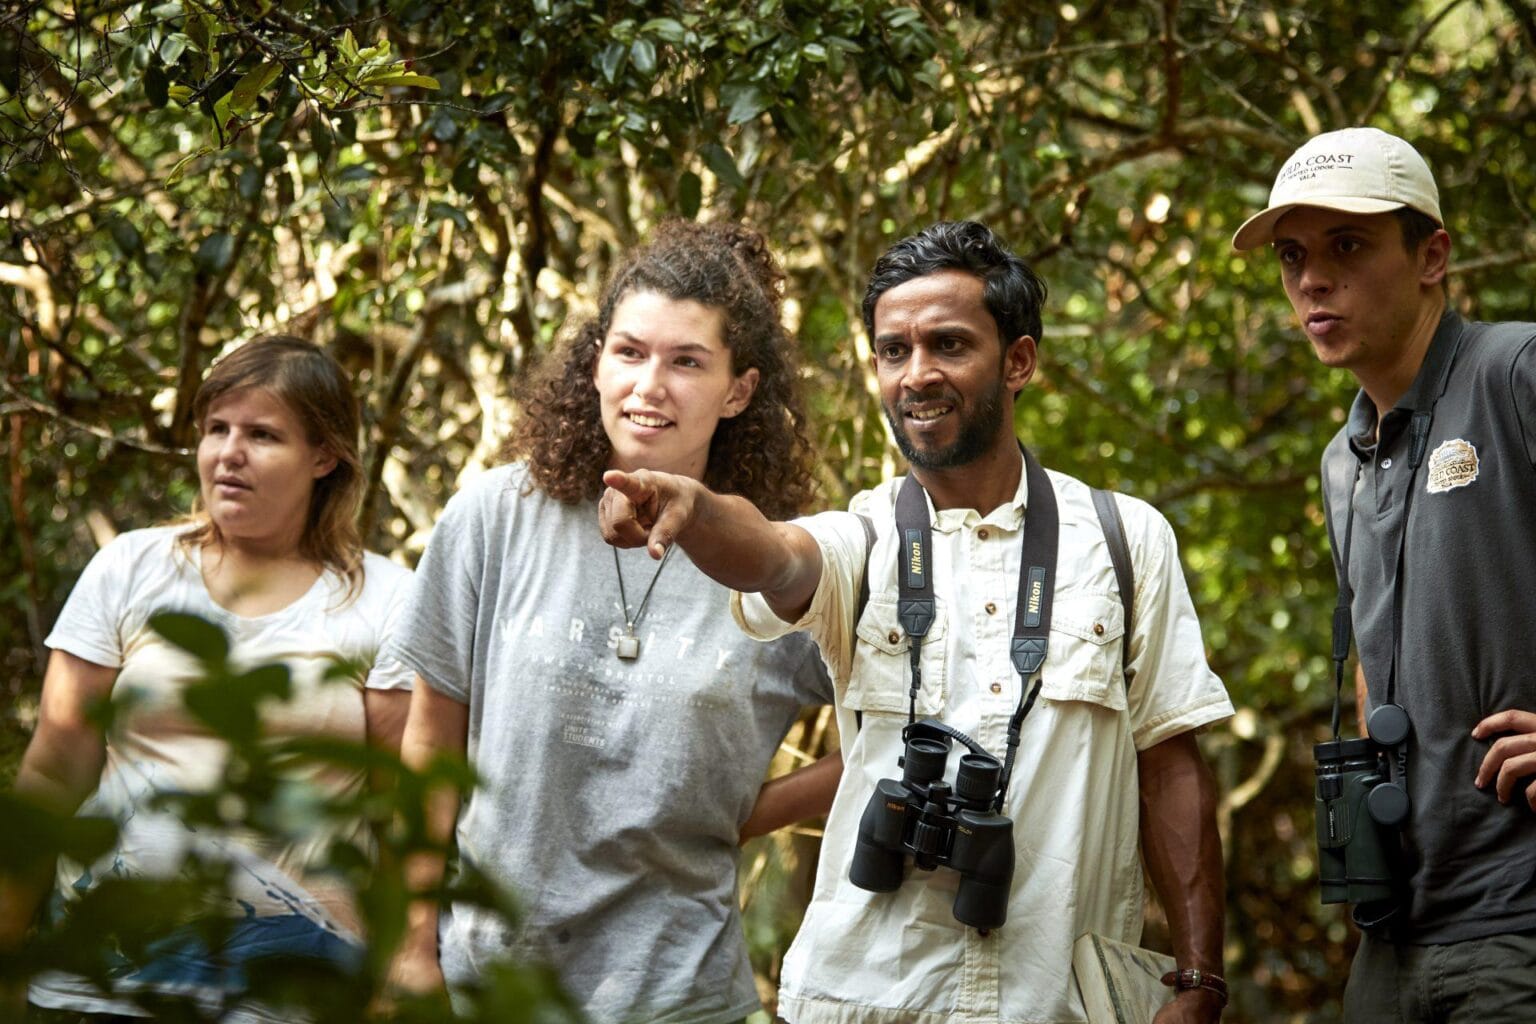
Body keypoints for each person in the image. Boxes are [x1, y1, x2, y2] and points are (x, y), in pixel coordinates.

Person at [600, 220, 1234, 1023]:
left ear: (1019, 362)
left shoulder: (1123, 539)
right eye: (893, 351)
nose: (916, 374)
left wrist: (1200, 978)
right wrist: (691, 511)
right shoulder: (863, 537)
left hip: (1054, 1001)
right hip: (864, 997)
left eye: (948, 345)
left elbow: (1170, 766)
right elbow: (774, 554)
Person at [384, 221, 838, 1023]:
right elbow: (430, 741)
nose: (649, 384)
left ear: (739, 390)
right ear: (595, 362)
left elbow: (899, 733)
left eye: (686, 361)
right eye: (629, 352)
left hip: (674, 993)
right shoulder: (497, 515)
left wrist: (737, 817)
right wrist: (414, 943)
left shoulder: (779, 557)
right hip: (484, 986)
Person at [0, 336, 415, 1021]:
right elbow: (54, 768)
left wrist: (398, 971)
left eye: (262, 434)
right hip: (113, 977)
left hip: (297, 983)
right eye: (216, 429)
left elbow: (401, 808)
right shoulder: (131, 568)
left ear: (325, 455)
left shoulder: (385, 598)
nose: (229, 453)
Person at [1233, 126, 1536, 1022]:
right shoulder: (1344, 460)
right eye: (1293, 256)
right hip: (1394, 933)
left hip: (1518, 920)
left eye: (1349, 246)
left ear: (1432, 254)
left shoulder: (1513, 373)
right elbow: (1380, 659)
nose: (1312, 280)